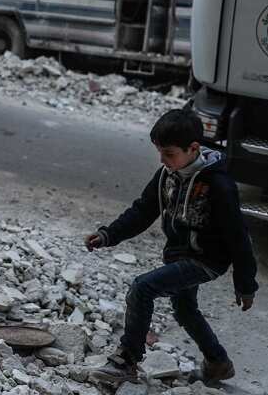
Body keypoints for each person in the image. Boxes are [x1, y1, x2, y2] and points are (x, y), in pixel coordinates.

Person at [84, 109, 258, 386]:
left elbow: (239, 237)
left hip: (206, 260)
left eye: (169, 153)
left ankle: (127, 359)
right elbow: (143, 211)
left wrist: (245, 283)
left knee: (142, 288)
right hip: (178, 256)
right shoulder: (167, 174)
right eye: (160, 153)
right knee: (185, 310)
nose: (163, 160)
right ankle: (218, 362)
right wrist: (108, 235)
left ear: (193, 148)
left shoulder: (219, 185)